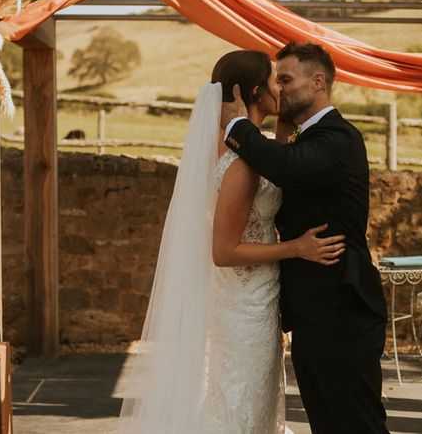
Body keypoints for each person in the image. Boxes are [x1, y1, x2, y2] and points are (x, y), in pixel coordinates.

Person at [117, 50, 344, 433]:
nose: (282, 87)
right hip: (245, 304)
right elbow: (223, 252)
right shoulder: (242, 162)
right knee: (244, 402)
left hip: (256, 294)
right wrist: (297, 247)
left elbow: (282, 161)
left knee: (250, 398)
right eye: (277, 81)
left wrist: (285, 126)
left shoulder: (248, 145)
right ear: (256, 92)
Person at [221, 42, 388, 434]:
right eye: (275, 80)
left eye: (286, 79)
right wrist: (279, 134)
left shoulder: (339, 138)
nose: (279, 88)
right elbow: (284, 176)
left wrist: (236, 125)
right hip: (314, 316)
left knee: (357, 424)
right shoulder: (309, 139)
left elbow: (288, 168)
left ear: (318, 82)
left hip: (343, 312)